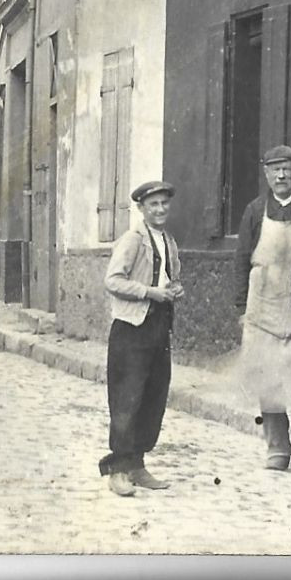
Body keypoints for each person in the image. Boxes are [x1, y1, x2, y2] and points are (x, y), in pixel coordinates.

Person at [234, 145, 291, 471]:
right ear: (266, 173)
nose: (282, 175)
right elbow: (241, 259)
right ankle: (277, 446)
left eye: (287, 168)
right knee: (268, 378)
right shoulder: (254, 210)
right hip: (262, 304)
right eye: (275, 169)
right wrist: (240, 304)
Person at [100, 181, 183, 496]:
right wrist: (150, 293)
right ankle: (118, 470)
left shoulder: (169, 241)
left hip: (159, 327)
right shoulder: (133, 240)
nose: (160, 209)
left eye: (164, 203)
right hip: (131, 329)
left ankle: (137, 464)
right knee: (126, 400)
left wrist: (175, 289)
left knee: (153, 398)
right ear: (141, 209)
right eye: (154, 205)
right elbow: (113, 280)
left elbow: (170, 277)